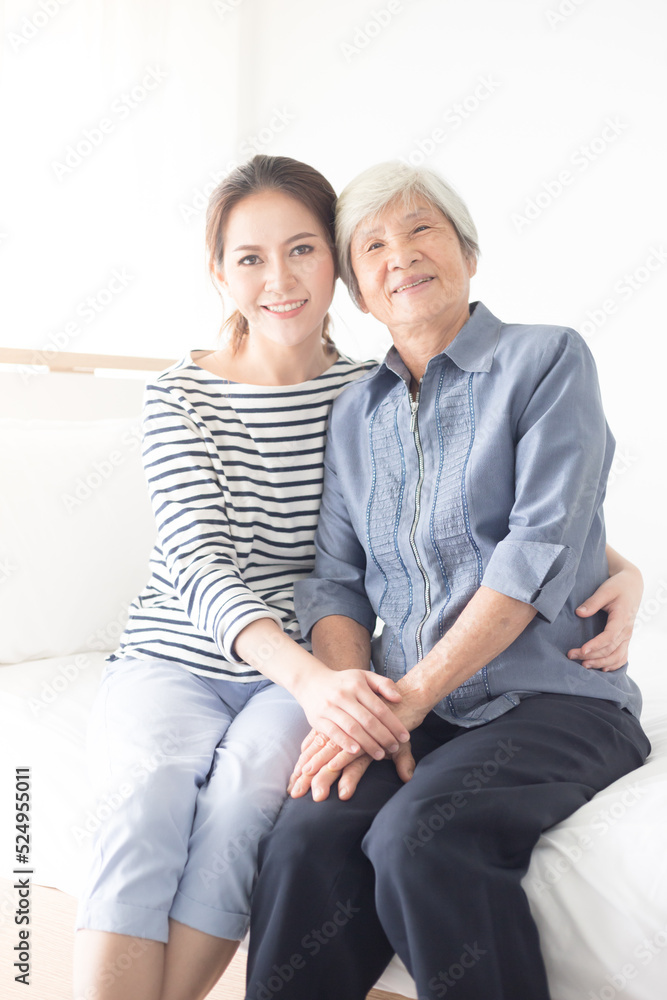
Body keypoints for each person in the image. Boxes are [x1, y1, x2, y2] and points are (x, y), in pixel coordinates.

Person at [243, 161, 651, 1000]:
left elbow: (535, 547)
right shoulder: (356, 412)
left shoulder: (546, 359)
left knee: (419, 839)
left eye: (421, 228)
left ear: (466, 250)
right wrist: (357, 697)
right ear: (356, 291)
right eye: (373, 245)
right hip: (414, 707)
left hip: (558, 703)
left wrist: (412, 694)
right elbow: (336, 581)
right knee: (303, 841)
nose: (401, 255)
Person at [72, 155, 414, 1000]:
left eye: (302, 249)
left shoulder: (375, 394)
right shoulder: (178, 398)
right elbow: (195, 560)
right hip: (179, 653)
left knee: (244, 804)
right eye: (250, 258)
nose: (279, 279)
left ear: (335, 260)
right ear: (219, 273)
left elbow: (484, 498)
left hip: (298, 671)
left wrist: (617, 570)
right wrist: (316, 685)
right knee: (147, 792)